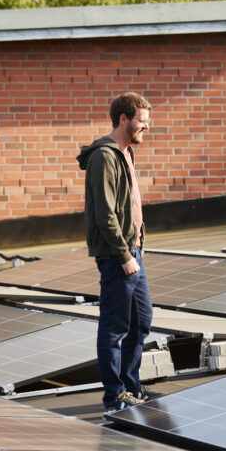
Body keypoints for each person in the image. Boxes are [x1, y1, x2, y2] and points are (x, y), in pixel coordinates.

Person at [77, 92, 154, 412]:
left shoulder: (126, 153)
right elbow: (106, 214)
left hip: (134, 252)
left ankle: (130, 385)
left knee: (142, 320)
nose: (146, 128)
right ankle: (114, 394)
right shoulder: (104, 157)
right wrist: (124, 256)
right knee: (115, 327)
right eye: (141, 121)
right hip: (116, 256)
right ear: (123, 119)